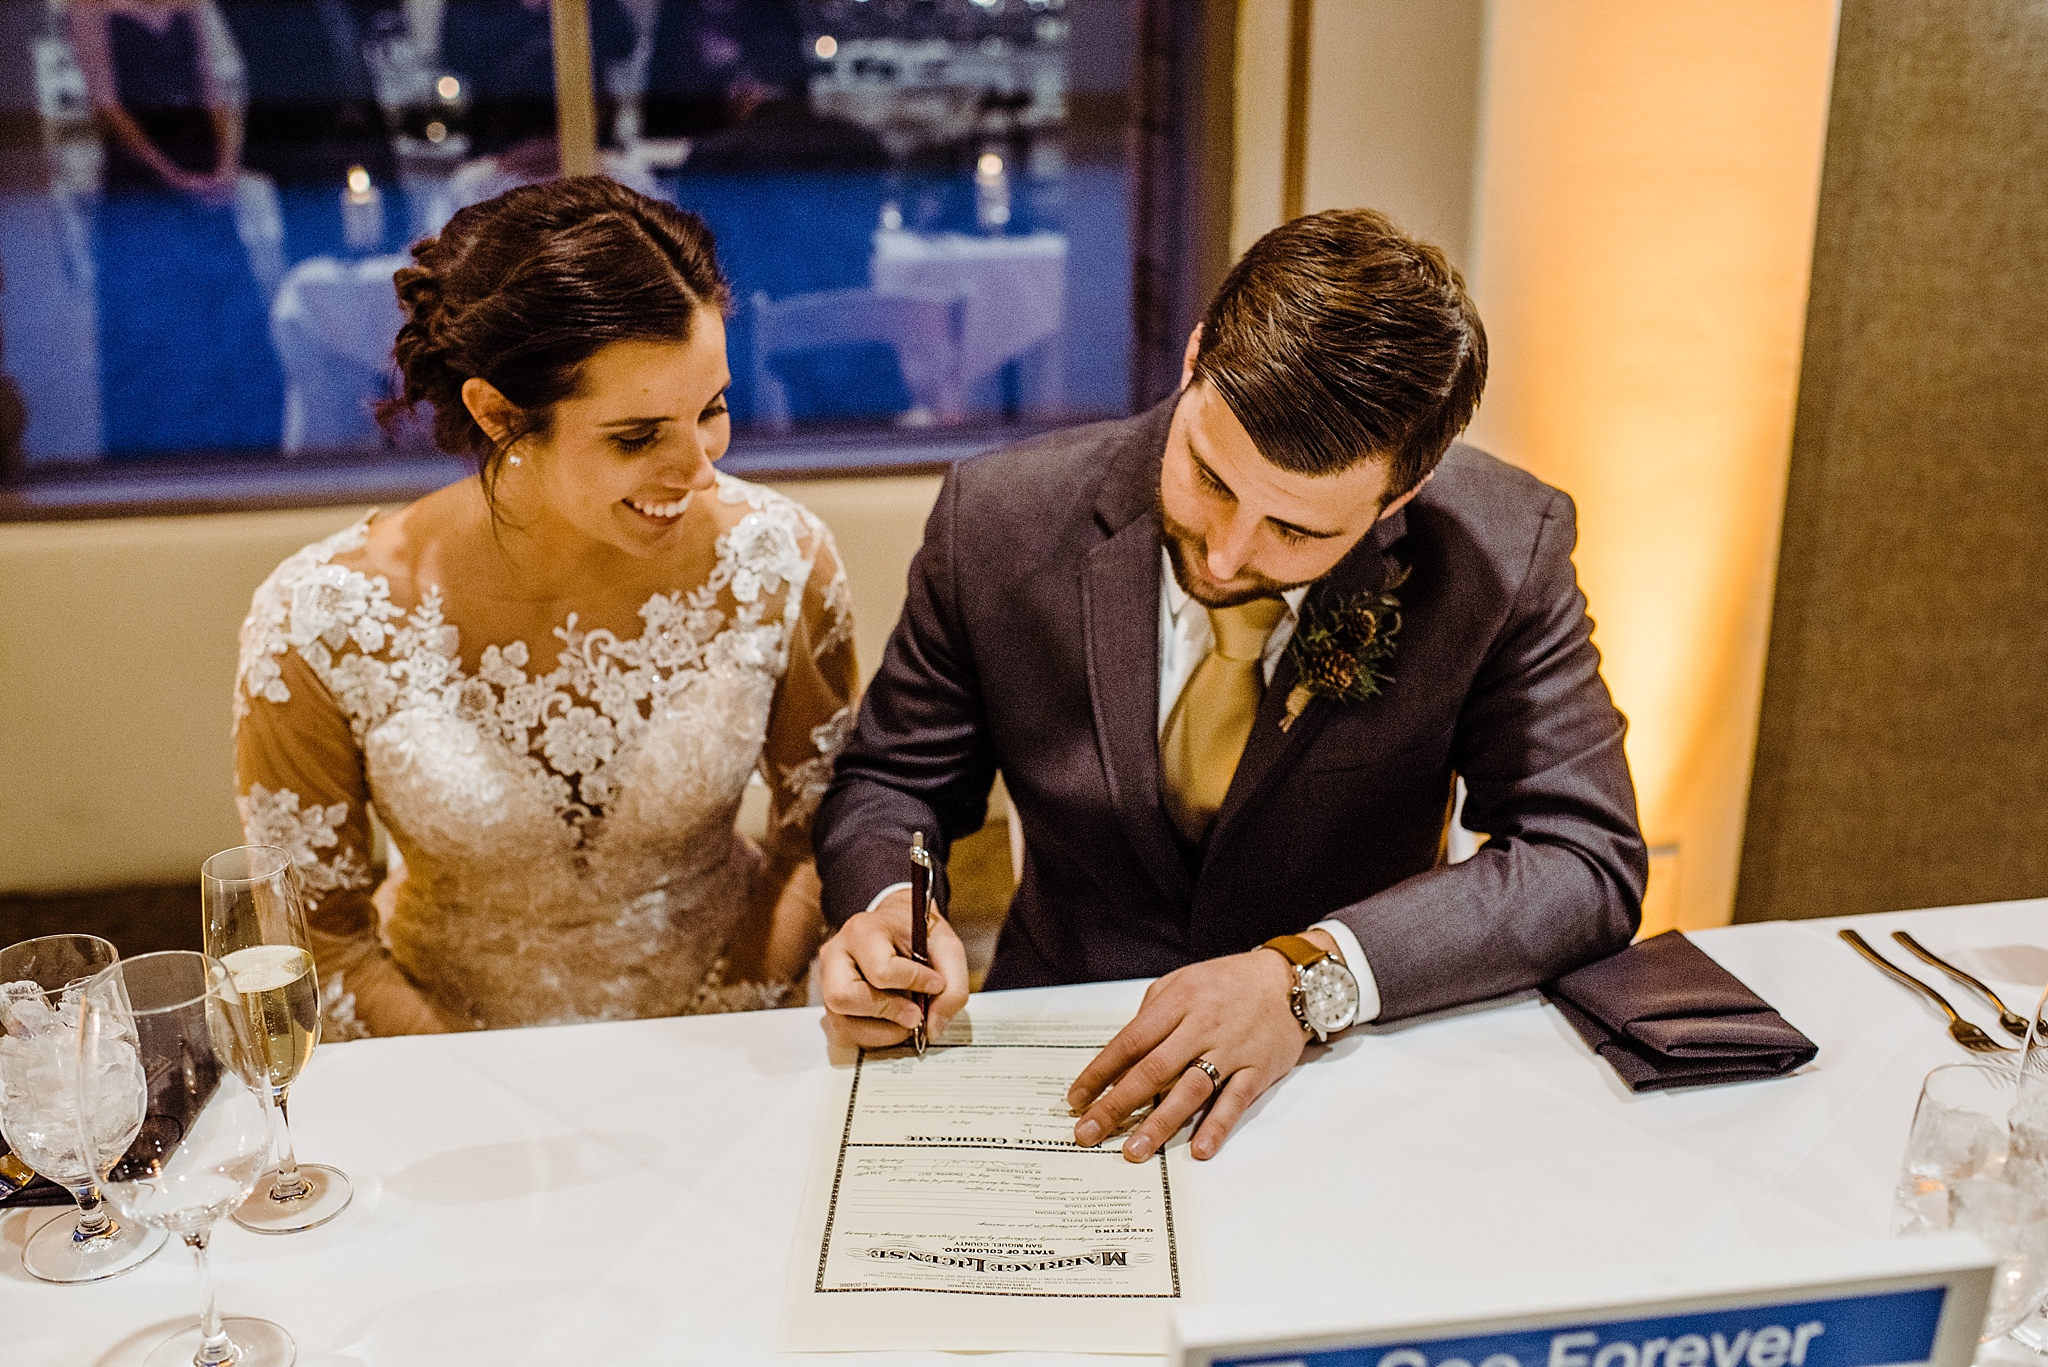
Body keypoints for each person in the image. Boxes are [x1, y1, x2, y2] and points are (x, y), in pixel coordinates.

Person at [812, 209, 1648, 1161]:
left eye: (1296, 533)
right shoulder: (998, 519)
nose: (1227, 551)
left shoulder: (1503, 548)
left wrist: (1309, 976)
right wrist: (888, 910)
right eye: (1210, 476)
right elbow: (891, 784)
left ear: (1402, 494)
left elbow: (1584, 857)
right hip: (1061, 1057)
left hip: (1354, 1072)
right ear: (1196, 356)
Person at [232, 177, 857, 1036]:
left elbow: (819, 845)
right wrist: (510, 1103)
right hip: (449, 1073)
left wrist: (700, 1045)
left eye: (710, 409)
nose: (700, 468)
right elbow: (319, 945)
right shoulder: (321, 620)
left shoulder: (778, 561)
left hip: (724, 1041)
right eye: (637, 436)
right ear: (497, 412)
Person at [70, 0, 286, 457]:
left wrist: (226, 162)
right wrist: (170, 175)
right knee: (151, 320)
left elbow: (210, 88)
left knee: (226, 312)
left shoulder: (186, 2)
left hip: (200, 163)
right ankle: (155, 455)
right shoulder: (87, 7)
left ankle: (246, 448)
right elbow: (107, 106)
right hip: (138, 179)